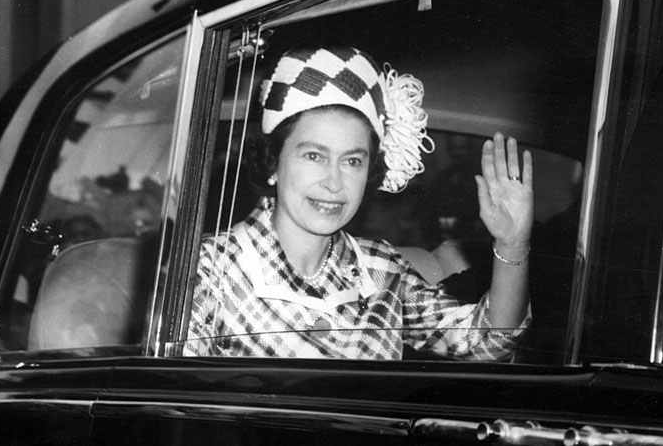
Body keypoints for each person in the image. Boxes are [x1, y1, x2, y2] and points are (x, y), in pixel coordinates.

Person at [183, 47, 533, 360]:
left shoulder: (380, 270)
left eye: (352, 161)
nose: (334, 183)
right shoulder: (211, 269)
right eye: (313, 156)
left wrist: (512, 244)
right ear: (273, 162)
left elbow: (486, 344)